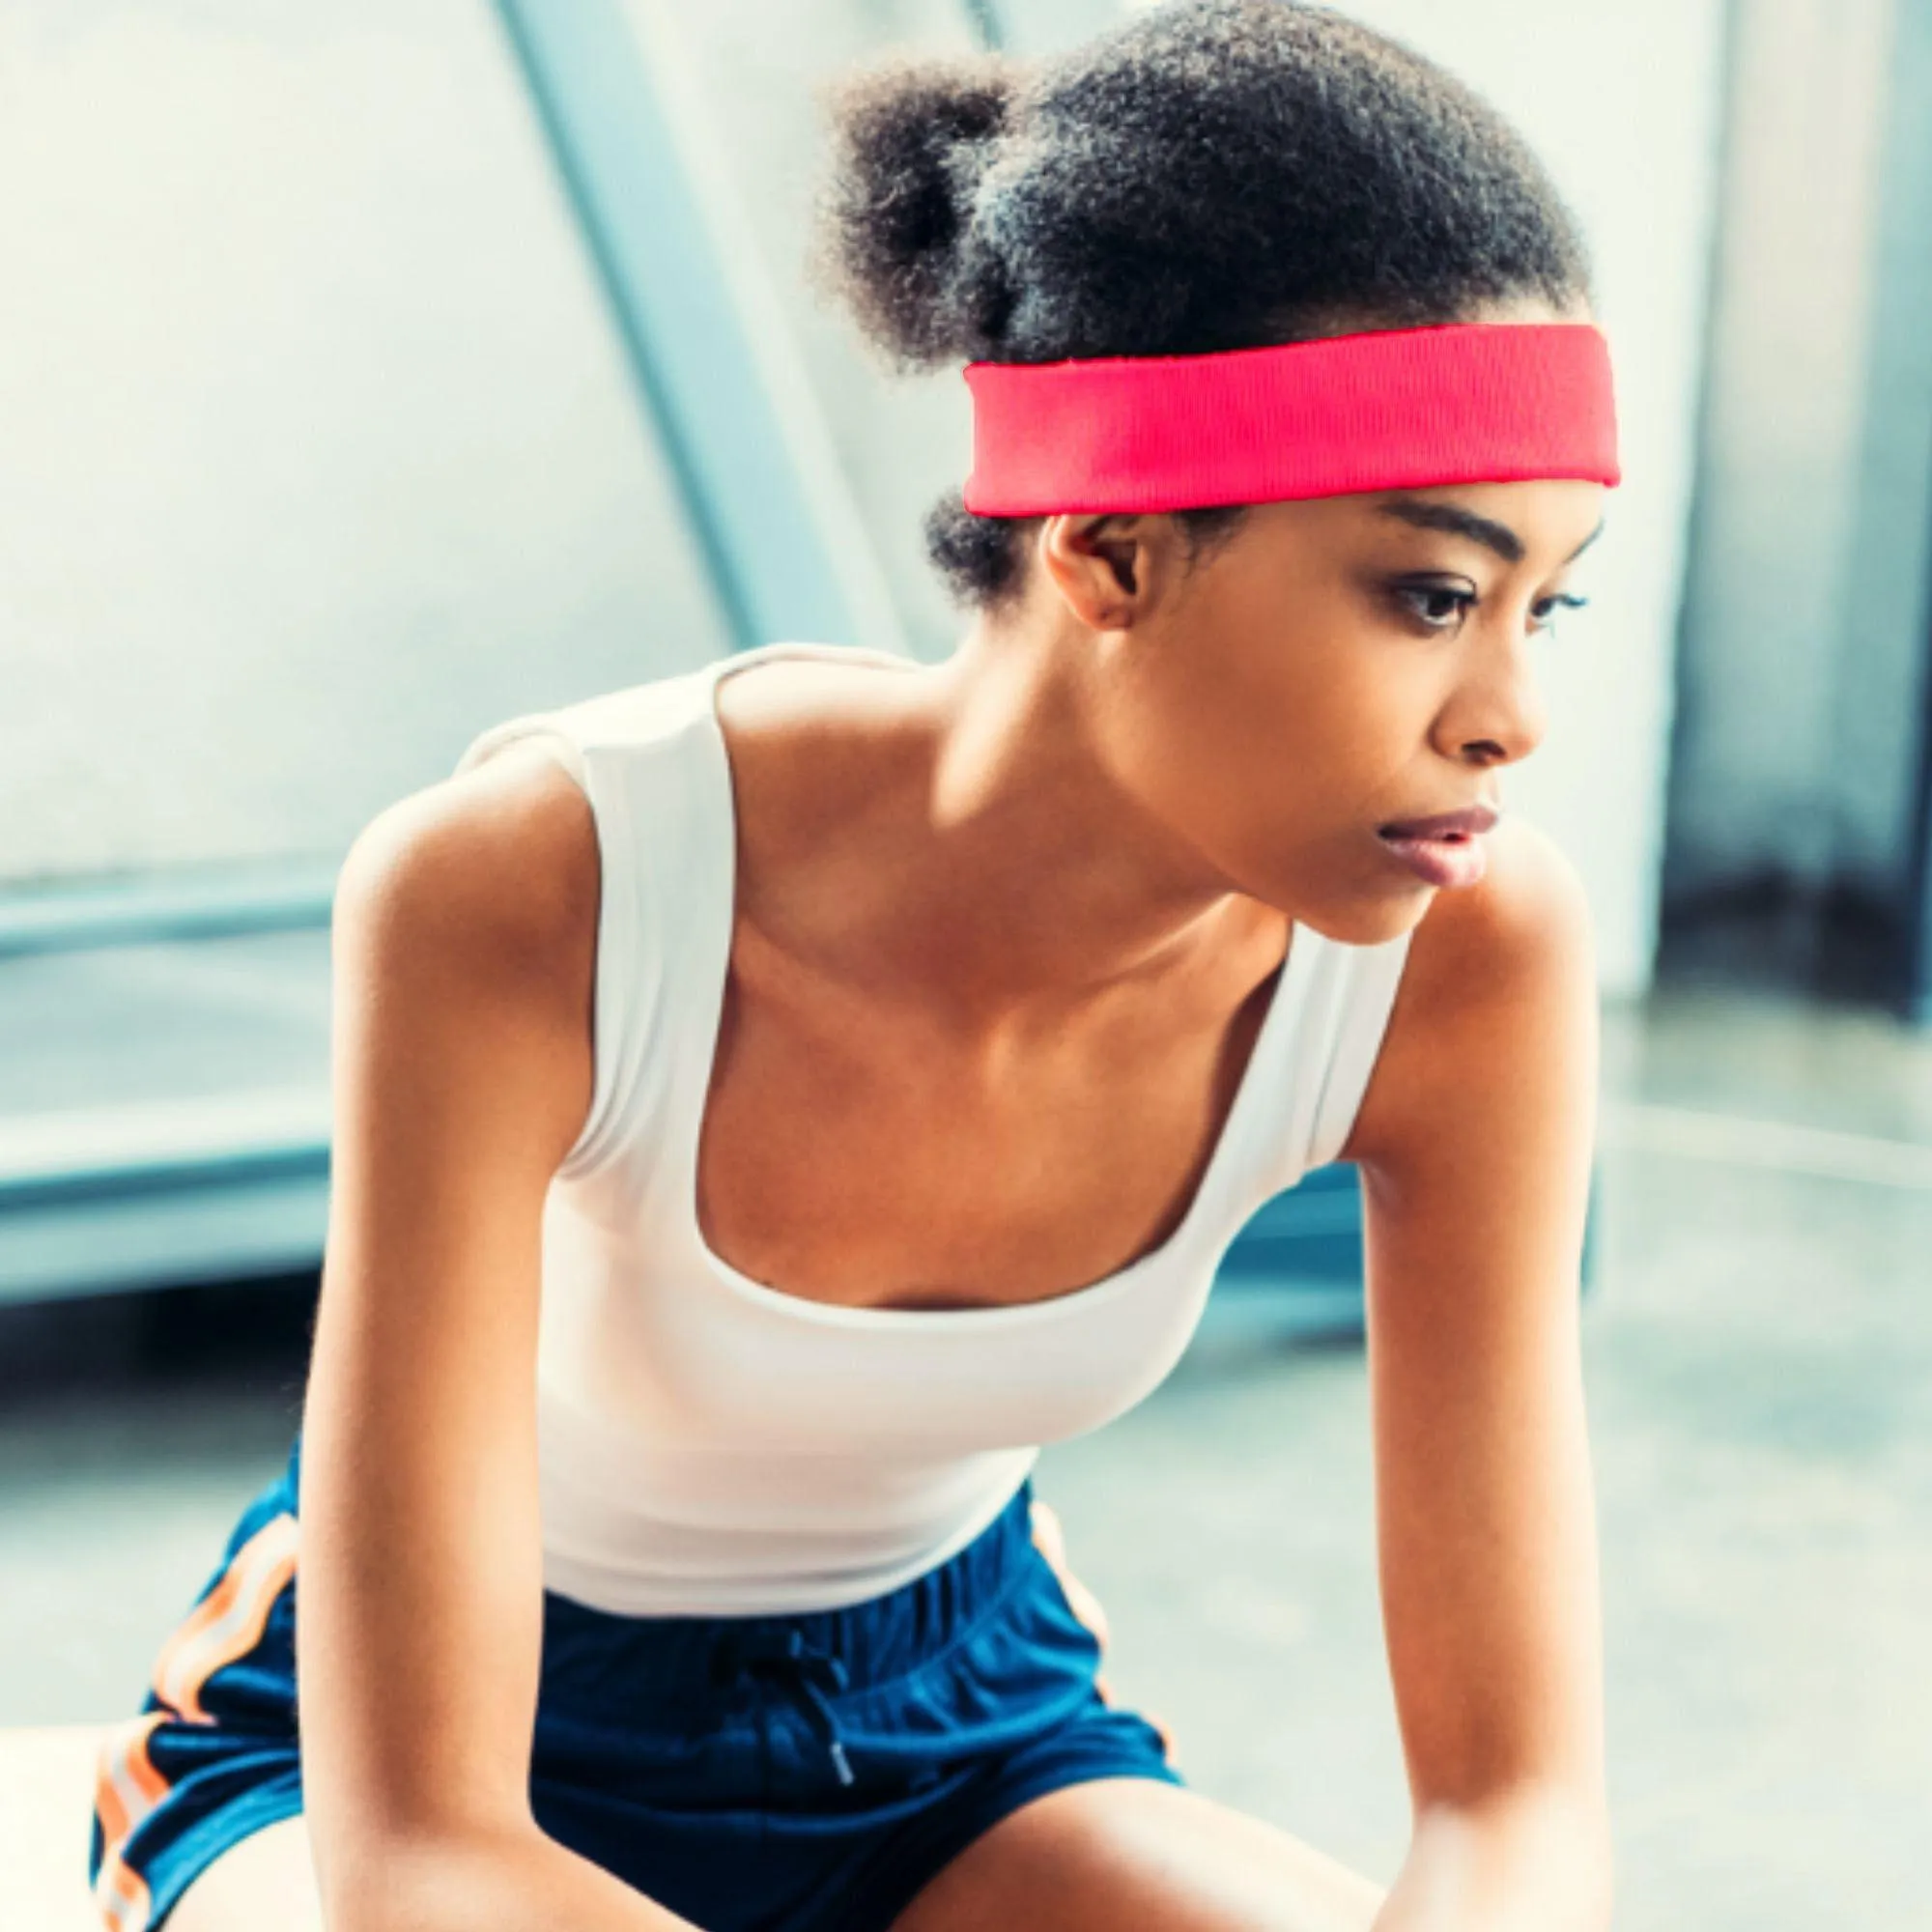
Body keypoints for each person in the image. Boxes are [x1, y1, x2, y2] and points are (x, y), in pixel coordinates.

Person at [90, 3, 1618, 1927]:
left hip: (951, 1736)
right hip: (375, 1767)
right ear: (1109, 550)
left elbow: (1517, 1803)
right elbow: (422, 1851)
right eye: (1430, 595)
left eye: (1547, 604)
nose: (1514, 716)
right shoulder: (526, 892)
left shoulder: (1469, 955)